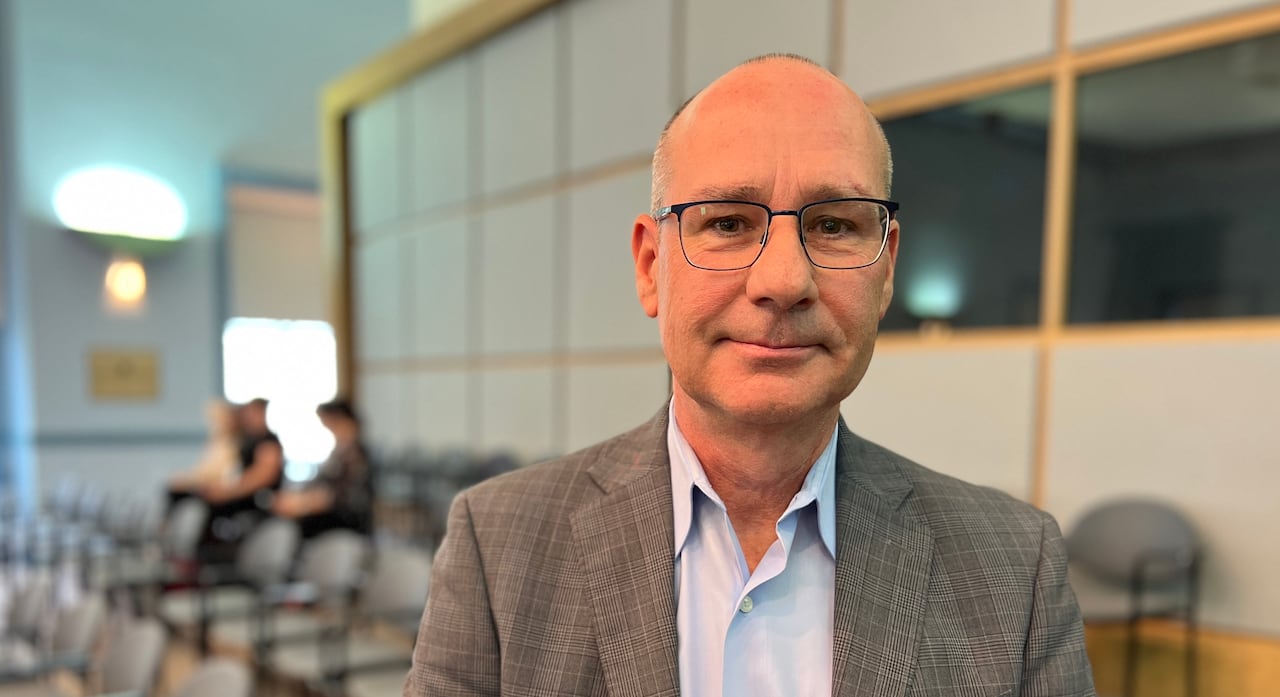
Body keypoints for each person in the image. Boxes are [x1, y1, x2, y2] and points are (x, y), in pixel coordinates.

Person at [404, 54, 1095, 696]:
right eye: (729, 222)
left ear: (885, 270)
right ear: (651, 267)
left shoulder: (1015, 569)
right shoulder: (497, 546)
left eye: (833, 225)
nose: (784, 279)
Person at [272, 398, 373, 539]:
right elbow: (320, 482)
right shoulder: (339, 451)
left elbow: (342, 495)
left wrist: (304, 504)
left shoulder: (356, 456)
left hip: (345, 521)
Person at [198, 397, 284, 551]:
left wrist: (229, 492)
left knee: (214, 508)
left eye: (252, 413)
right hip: (241, 493)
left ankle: (208, 555)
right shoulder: (246, 440)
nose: (248, 417)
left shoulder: (268, 441)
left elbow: (262, 477)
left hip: (259, 499)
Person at [166, 399, 239, 509]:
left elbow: (222, 473)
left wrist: (192, 481)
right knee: (173, 490)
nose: (215, 424)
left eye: (219, 420)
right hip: (203, 484)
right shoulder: (215, 442)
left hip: (215, 487)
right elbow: (203, 468)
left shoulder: (234, 444)